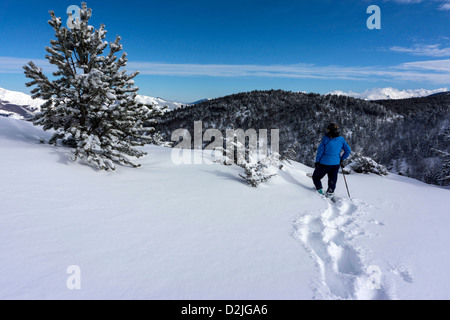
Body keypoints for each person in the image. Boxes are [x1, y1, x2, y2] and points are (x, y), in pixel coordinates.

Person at [313, 123, 351, 196]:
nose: (326, 130)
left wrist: (317, 161)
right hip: (336, 164)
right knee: (332, 180)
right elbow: (348, 150)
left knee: (316, 177)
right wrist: (342, 158)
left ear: (330, 130)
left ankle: (320, 190)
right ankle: (330, 193)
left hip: (324, 163)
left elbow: (320, 151)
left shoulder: (325, 139)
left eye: (328, 129)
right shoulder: (341, 139)